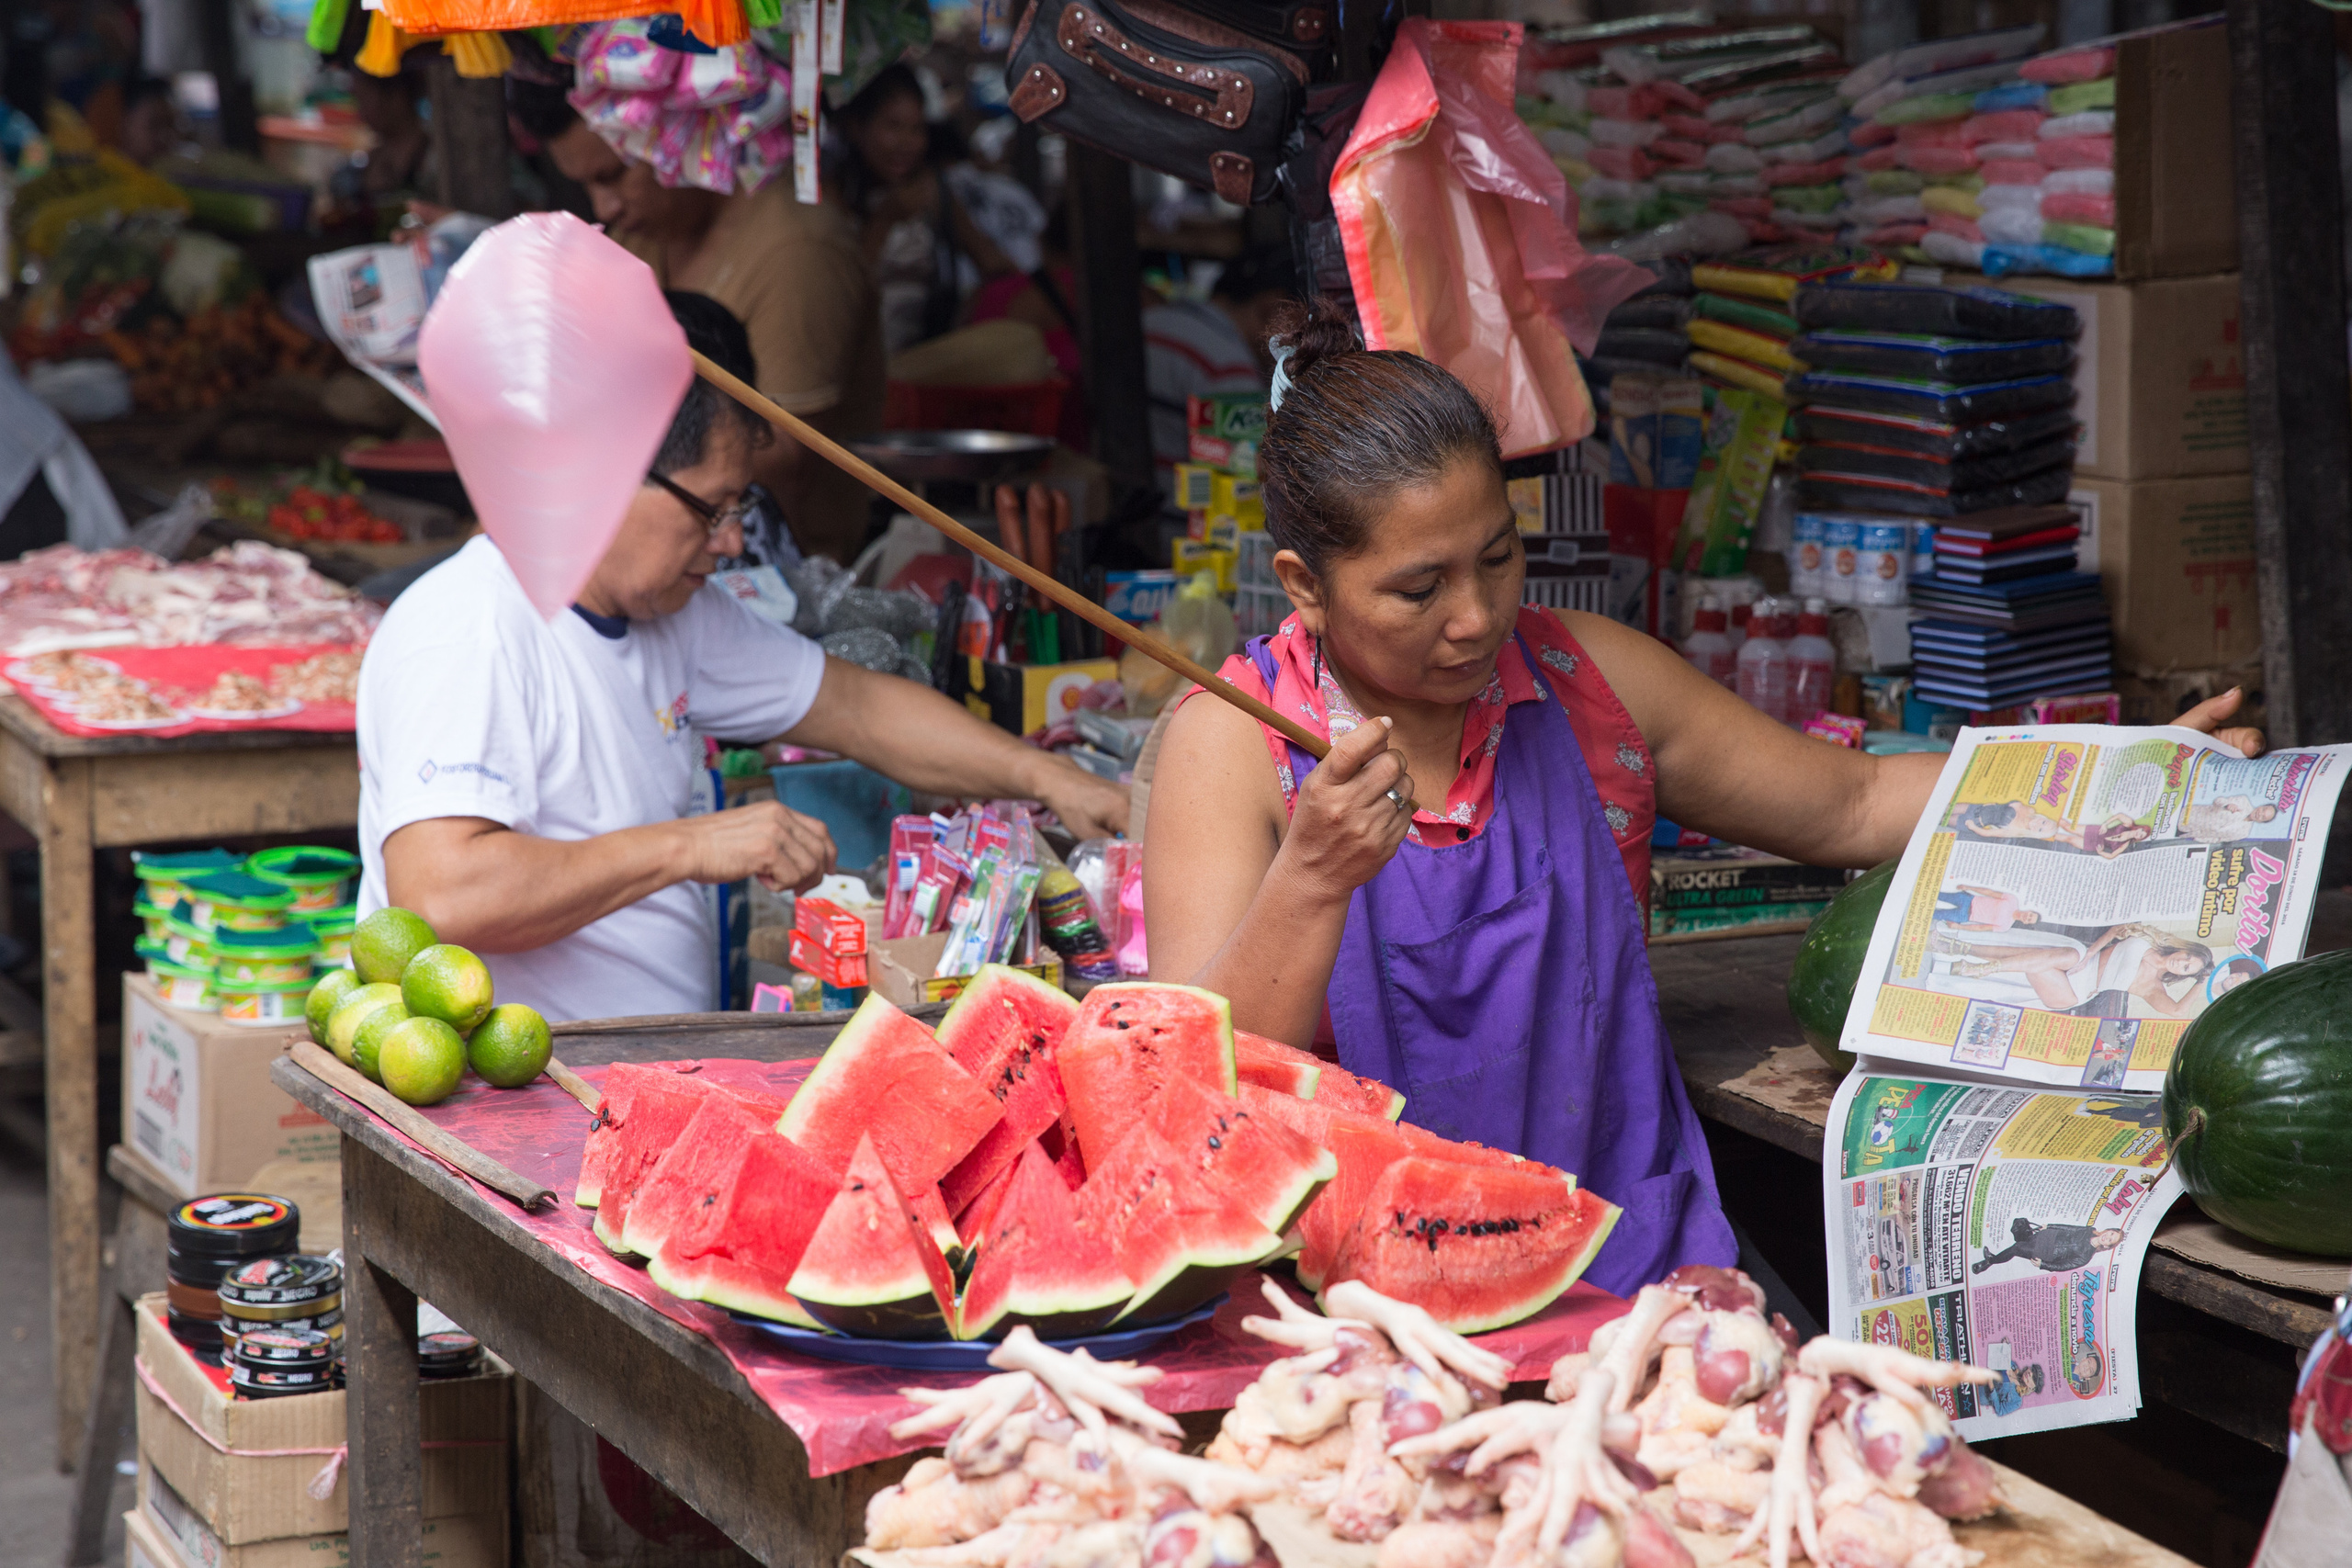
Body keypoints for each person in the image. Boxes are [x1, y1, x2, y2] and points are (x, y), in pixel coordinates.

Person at [1140, 299, 2264, 1295]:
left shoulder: (1587, 680)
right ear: (1306, 585)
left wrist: (2129, 777)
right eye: (1418, 588)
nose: (1475, 616)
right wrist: (1313, 878)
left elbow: (1852, 802)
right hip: (1351, 1296)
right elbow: (1193, 1091)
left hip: (1624, 1257)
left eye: (1497, 556)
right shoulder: (1231, 746)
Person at [356, 295, 1126, 1021]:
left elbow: (856, 706)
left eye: (740, 509)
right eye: (712, 508)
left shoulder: (674, 613)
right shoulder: (469, 626)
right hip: (520, 1082)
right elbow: (443, 895)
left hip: (641, 1065)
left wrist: (1047, 777)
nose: (730, 541)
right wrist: (691, 846)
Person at [537, 96, 887, 565]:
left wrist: (595, 452)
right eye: (587, 185)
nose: (605, 207)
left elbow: (789, 456)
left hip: (775, 570)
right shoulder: (641, 237)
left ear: (678, 134)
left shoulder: (799, 247)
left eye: (614, 175)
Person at [830, 65, 1037, 356]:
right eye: (893, 127)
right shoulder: (835, 197)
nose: (907, 143)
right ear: (856, 127)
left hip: (921, 360)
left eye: (917, 129)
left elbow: (992, 263)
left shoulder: (930, 191)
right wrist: (883, 223)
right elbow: (839, 298)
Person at [1144, 247, 1296, 497]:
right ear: (1271, 309)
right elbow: (1248, 484)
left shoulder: (1152, 320)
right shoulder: (1228, 368)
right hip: (1175, 514)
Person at [1972, 1219, 2123, 1275]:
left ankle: (1989, 1261)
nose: (2107, 1237)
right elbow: (2069, 1228)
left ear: (2106, 1245)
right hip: (2048, 1236)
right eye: (2110, 1233)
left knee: (2017, 1248)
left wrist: (2043, 1264)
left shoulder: (2085, 1257)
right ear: (2107, 1230)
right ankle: (2019, 1242)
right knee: (2020, 1224)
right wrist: (2050, 1226)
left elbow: (2063, 1266)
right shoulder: (2089, 1230)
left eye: (2111, 1239)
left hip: (2047, 1252)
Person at [1932, 884, 2037, 931]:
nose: (2027, 917)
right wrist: (1969, 887)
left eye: (2029, 920)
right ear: (2029, 911)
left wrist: (1959, 927)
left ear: (2025, 923)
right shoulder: (2013, 900)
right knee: (1936, 895)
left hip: (1964, 916)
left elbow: (1980, 928)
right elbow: (1989, 892)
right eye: (2030, 915)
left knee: (1935, 915)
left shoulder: (2005, 926)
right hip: (1967, 900)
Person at [2181, 794, 2279, 843]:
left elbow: (2218, 839)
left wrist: (2197, 838)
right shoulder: (2243, 801)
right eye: (2263, 809)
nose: (2259, 814)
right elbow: (2217, 801)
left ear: (2262, 822)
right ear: (2261, 806)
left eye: (2263, 817)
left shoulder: (2244, 833)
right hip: (2189, 816)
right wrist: (2227, 804)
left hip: (2190, 834)